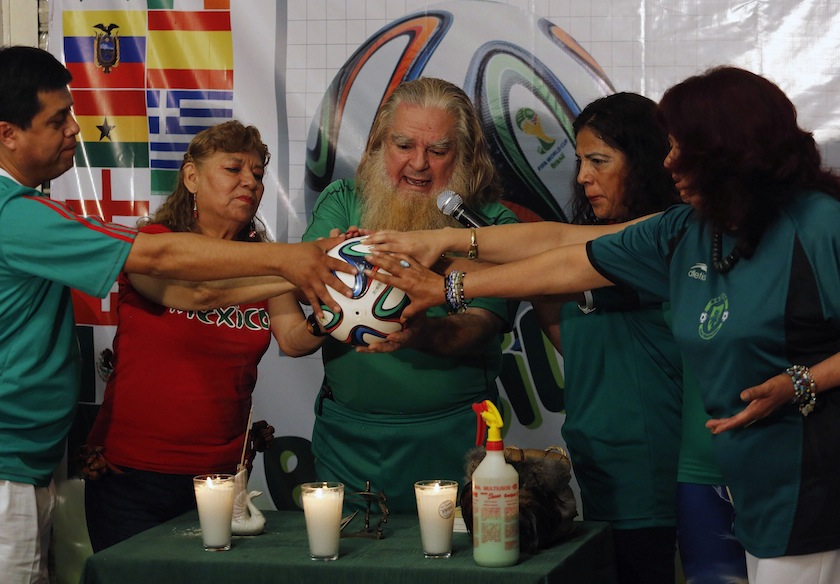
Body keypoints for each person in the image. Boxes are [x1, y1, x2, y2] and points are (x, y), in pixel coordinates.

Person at [368, 66, 840, 584]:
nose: (668, 162)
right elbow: (563, 252)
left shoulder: (820, 224)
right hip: (734, 477)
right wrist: (447, 258)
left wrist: (805, 381)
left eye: (683, 147)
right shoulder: (687, 228)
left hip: (806, 480)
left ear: (730, 148)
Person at [0, 45, 349, 583]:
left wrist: (346, 299)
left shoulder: (25, 209)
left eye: (257, 173)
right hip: (101, 475)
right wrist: (301, 259)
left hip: (192, 475)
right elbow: (191, 285)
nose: (75, 127)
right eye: (58, 117)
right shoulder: (22, 215)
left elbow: (294, 335)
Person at [81, 121, 326, 552]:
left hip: (219, 480)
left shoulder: (270, 261)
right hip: (132, 476)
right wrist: (292, 267)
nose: (250, 181)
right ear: (192, 177)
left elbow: (292, 338)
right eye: (233, 168)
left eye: (258, 173)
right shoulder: (153, 244)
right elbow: (197, 293)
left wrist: (335, 311)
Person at [300, 77, 519, 513]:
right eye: (404, 145)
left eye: (438, 151)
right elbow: (303, 284)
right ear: (380, 144)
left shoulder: (491, 225)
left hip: (453, 441)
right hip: (347, 441)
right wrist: (344, 258)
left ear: (465, 156)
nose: (419, 164)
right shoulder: (343, 201)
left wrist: (424, 333)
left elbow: (480, 325)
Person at [531, 92, 684, 584]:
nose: (582, 177)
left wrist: (447, 272)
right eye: (579, 161)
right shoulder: (583, 248)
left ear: (644, 162)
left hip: (652, 474)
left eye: (598, 161)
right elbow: (571, 342)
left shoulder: (667, 241)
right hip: (597, 471)